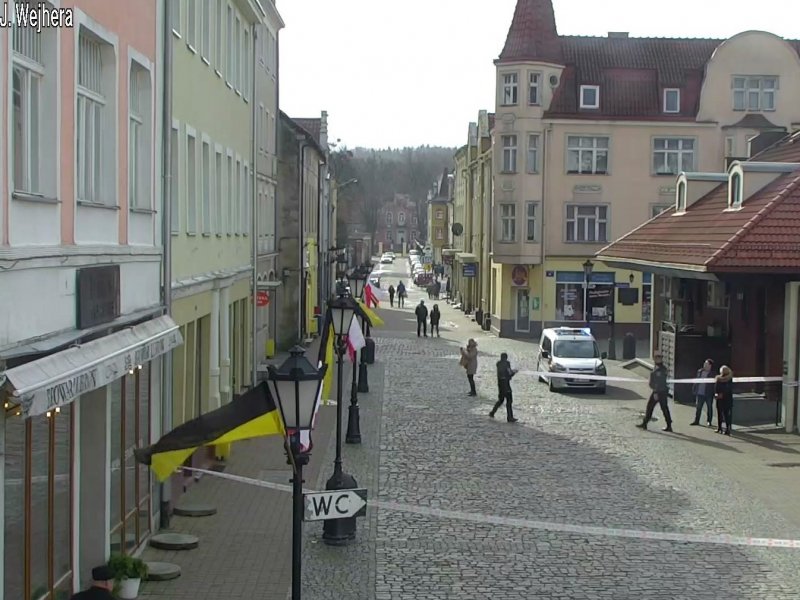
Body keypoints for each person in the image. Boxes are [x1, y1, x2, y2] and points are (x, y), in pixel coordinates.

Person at [637, 351, 672, 432]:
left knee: (662, 408)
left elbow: (660, 382)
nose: (657, 359)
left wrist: (656, 392)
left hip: (660, 392)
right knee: (652, 407)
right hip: (658, 391)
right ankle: (645, 423)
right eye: (656, 357)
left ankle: (669, 425)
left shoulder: (661, 369)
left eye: (659, 357)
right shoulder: (657, 367)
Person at [490, 352, 519, 422]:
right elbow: (509, 373)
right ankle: (510, 417)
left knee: (501, 400)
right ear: (506, 358)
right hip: (506, 385)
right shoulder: (507, 364)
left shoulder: (498, 364)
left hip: (500, 384)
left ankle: (492, 412)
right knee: (509, 401)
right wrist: (514, 372)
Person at [690, 358, 715, 427]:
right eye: (704, 363)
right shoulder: (700, 371)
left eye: (706, 364)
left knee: (709, 407)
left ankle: (709, 421)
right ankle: (696, 421)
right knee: (698, 407)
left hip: (708, 394)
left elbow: (714, 384)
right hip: (700, 393)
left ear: (710, 365)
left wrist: (714, 393)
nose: (705, 365)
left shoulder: (713, 374)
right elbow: (696, 380)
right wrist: (694, 389)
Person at [715, 365, 734, 435]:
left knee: (720, 414)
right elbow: (729, 389)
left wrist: (718, 394)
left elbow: (716, 388)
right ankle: (726, 429)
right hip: (726, 399)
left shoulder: (719, 379)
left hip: (722, 399)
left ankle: (720, 428)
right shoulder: (729, 379)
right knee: (726, 415)